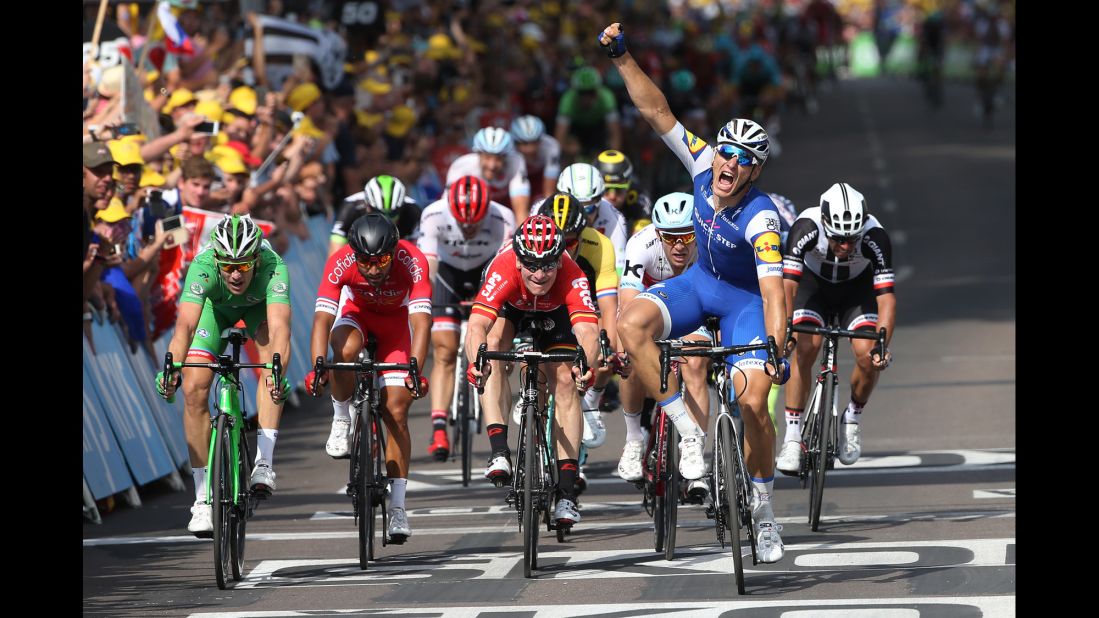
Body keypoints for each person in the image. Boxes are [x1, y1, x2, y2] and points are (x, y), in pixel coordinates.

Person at [600, 22, 790, 563]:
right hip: (696, 285)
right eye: (727, 152)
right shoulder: (704, 161)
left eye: (743, 160)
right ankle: (685, 429)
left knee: (754, 404)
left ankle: (765, 509)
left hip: (744, 303)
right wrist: (621, 57)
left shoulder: (762, 219)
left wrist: (775, 347)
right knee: (631, 324)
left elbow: (774, 294)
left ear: (754, 172)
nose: (728, 164)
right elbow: (658, 112)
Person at [156, 214, 292, 537]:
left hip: (258, 309)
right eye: (227, 265)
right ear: (215, 257)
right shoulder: (202, 266)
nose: (234, 274)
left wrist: (278, 370)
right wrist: (171, 368)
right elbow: (185, 327)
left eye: (243, 266)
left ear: (256, 259)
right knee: (193, 387)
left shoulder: (274, 268)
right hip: (215, 312)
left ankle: (264, 464)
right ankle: (202, 498)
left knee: (271, 369)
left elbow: (280, 330)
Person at [464, 215, 599, 527]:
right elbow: (477, 326)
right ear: (518, 258)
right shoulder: (503, 267)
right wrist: (476, 362)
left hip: (558, 315)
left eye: (548, 265)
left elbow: (588, 332)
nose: (540, 274)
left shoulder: (572, 275)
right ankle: (499, 451)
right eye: (531, 265)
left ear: (559, 260)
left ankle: (566, 493)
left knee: (565, 380)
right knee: (493, 347)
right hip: (512, 309)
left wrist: (586, 365)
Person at [304, 213, 431, 544]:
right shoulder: (340, 262)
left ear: (394, 251)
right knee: (343, 352)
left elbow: (421, 323)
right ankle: (341, 418)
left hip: (396, 329)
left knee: (397, 412)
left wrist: (415, 367)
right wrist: (319, 365)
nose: (374, 269)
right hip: (356, 317)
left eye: (382, 260)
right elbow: (321, 320)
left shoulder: (413, 261)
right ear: (353, 254)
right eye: (365, 261)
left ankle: (399, 508)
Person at [775, 182, 895, 474]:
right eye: (839, 238)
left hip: (856, 292)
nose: (846, 246)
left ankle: (852, 418)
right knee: (806, 347)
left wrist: (882, 345)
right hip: (812, 288)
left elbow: (887, 299)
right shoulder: (806, 227)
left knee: (868, 356)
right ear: (826, 224)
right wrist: (787, 332)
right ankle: (792, 437)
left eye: (852, 239)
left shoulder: (875, 236)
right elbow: (788, 287)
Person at [615, 192, 710, 502]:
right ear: (658, 233)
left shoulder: (708, 244)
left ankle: (696, 452)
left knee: (696, 363)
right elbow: (627, 305)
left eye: (686, 235)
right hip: (651, 305)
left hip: (696, 306)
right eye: (671, 237)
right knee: (630, 360)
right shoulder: (640, 244)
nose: (680, 245)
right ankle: (633, 440)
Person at [417, 175, 515, 460]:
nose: (469, 228)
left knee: (496, 343)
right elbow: (429, 265)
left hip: (488, 272)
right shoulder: (433, 214)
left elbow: (507, 265)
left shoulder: (502, 217)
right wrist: (425, 301)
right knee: (445, 350)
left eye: (475, 223)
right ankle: (438, 428)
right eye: (463, 223)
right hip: (447, 275)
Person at [541, 192, 623, 494]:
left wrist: (609, 349)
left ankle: (589, 403)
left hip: (581, 306)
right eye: (558, 240)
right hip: (542, 308)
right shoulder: (531, 240)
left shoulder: (599, 245)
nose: (563, 248)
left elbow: (608, 307)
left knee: (602, 350)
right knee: (530, 354)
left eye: (571, 241)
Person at [446, 127, 532, 221]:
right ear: (478, 154)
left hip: (505, 215)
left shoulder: (516, 162)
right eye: (487, 157)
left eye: (498, 159)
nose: (492, 166)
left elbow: (521, 211)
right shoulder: (461, 166)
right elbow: (448, 209)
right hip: (471, 218)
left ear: (506, 157)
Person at [330, 175, 422, 254]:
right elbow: (335, 256)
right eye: (378, 213)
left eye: (392, 213)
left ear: (402, 207)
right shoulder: (351, 208)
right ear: (368, 207)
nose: (385, 219)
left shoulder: (413, 211)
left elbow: (419, 257)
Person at [594, 149, 652, 236]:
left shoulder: (638, 196)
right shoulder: (585, 197)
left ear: (629, 186)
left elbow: (642, 240)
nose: (612, 196)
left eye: (619, 190)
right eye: (606, 189)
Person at [510, 115, 561, 200]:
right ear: (515, 142)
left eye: (535, 142)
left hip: (540, 181)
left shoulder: (551, 145)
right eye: (524, 143)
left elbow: (549, 191)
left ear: (541, 139)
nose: (531, 149)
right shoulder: (509, 150)